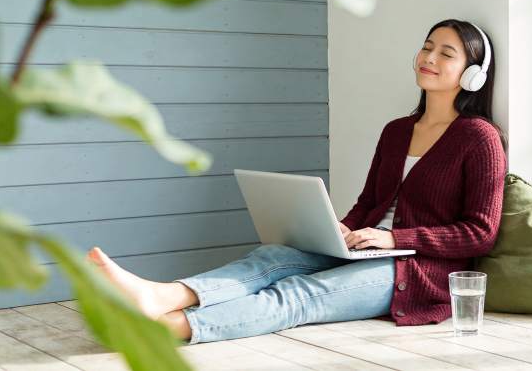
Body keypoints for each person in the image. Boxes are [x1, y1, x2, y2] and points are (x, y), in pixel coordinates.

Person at [86, 18, 509, 345]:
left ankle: (163, 329)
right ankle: (161, 297)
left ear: (471, 74)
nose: (429, 57)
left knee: (297, 294)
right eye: (427, 46)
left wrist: (394, 238)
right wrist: (340, 229)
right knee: (271, 258)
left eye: (446, 53)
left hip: (416, 271)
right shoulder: (397, 130)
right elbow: (368, 202)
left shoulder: (479, 138)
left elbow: (480, 232)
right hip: (363, 249)